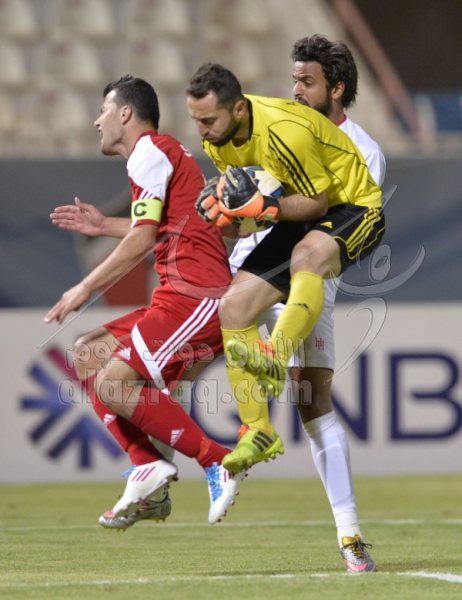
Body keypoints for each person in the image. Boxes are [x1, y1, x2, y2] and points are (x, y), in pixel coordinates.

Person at [187, 57, 384, 571]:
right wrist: (229, 216)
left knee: (312, 401)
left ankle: (349, 534)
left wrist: (261, 209)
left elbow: (320, 209)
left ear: (336, 89)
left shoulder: (350, 145)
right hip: (279, 248)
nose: (296, 90)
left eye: (307, 81)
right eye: (294, 80)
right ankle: (254, 431)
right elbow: (252, 212)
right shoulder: (224, 137)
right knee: (231, 308)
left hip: (323, 257)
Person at [45, 75, 244, 528]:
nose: (97, 121)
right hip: (177, 297)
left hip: (197, 297)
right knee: (88, 353)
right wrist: (104, 227)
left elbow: (142, 240)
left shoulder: (149, 152)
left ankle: (216, 461)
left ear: (125, 113)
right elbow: (161, 227)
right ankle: (148, 467)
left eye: (103, 110)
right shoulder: (157, 154)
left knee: (113, 383)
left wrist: (84, 288)